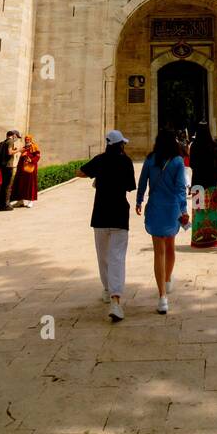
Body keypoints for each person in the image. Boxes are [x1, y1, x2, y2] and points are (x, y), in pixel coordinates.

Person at [80, 130, 137, 321]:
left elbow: (79, 171)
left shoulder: (100, 160)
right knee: (117, 258)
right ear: (120, 144)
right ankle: (115, 299)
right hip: (120, 215)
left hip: (100, 216)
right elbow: (130, 186)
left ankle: (107, 289)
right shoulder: (126, 161)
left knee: (103, 256)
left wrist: (97, 177)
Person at [137, 130, 189, 313]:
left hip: (155, 207)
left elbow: (142, 182)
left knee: (158, 252)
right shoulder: (177, 161)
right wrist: (184, 210)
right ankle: (167, 281)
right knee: (170, 247)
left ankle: (162, 298)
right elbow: (181, 188)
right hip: (172, 209)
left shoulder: (151, 159)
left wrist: (138, 202)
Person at [187, 120, 217, 249]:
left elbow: (191, 164)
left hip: (198, 184)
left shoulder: (194, 146)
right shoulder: (213, 145)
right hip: (212, 184)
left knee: (199, 212)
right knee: (213, 211)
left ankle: (198, 239)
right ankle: (213, 239)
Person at [0, 129, 21, 210]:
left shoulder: (3, 143)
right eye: (17, 137)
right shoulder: (10, 141)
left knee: (2, 186)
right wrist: (19, 150)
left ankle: (1, 205)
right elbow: (9, 152)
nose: (16, 139)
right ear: (14, 135)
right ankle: (6, 205)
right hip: (8, 167)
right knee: (8, 186)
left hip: (2, 167)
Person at [14, 134, 41, 206]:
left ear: (31, 140)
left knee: (30, 184)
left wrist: (31, 160)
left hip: (30, 169)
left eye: (28, 139)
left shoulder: (34, 147)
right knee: (20, 184)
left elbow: (38, 157)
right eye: (26, 139)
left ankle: (31, 201)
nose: (27, 141)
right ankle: (20, 201)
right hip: (22, 169)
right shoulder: (24, 147)